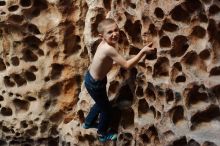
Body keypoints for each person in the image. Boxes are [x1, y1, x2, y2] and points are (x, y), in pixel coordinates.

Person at [83, 18, 154, 142]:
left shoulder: (105, 44)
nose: (114, 33)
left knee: (100, 103)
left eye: (116, 30)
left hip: (92, 79)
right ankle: (102, 134)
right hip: (95, 84)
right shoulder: (108, 49)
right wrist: (142, 52)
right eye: (110, 32)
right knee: (107, 110)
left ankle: (88, 123)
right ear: (101, 36)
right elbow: (126, 65)